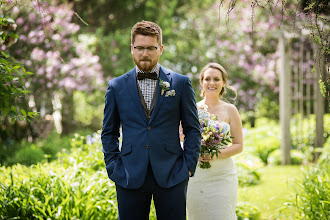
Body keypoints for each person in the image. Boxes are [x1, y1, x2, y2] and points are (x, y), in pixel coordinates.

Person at [101, 20, 201, 220]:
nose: (144, 53)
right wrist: (113, 167)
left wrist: (188, 166)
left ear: (161, 48)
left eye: (150, 48)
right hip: (129, 175)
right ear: (132, 49)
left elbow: (193, 129)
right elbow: (109, 132)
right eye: (139, 48)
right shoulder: (116, 86)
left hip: (173, 173)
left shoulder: (180, 84)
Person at [186, 63, 244, 220]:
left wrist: (215, 155)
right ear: (202, 82)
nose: (212, 83)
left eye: (217, 79)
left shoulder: (230, 110)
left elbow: (239, 145)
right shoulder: (191, 109)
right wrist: (194, 151)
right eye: (208, 79)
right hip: (196, 176)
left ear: (223, 83)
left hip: (223, 177)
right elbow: (180, 139)